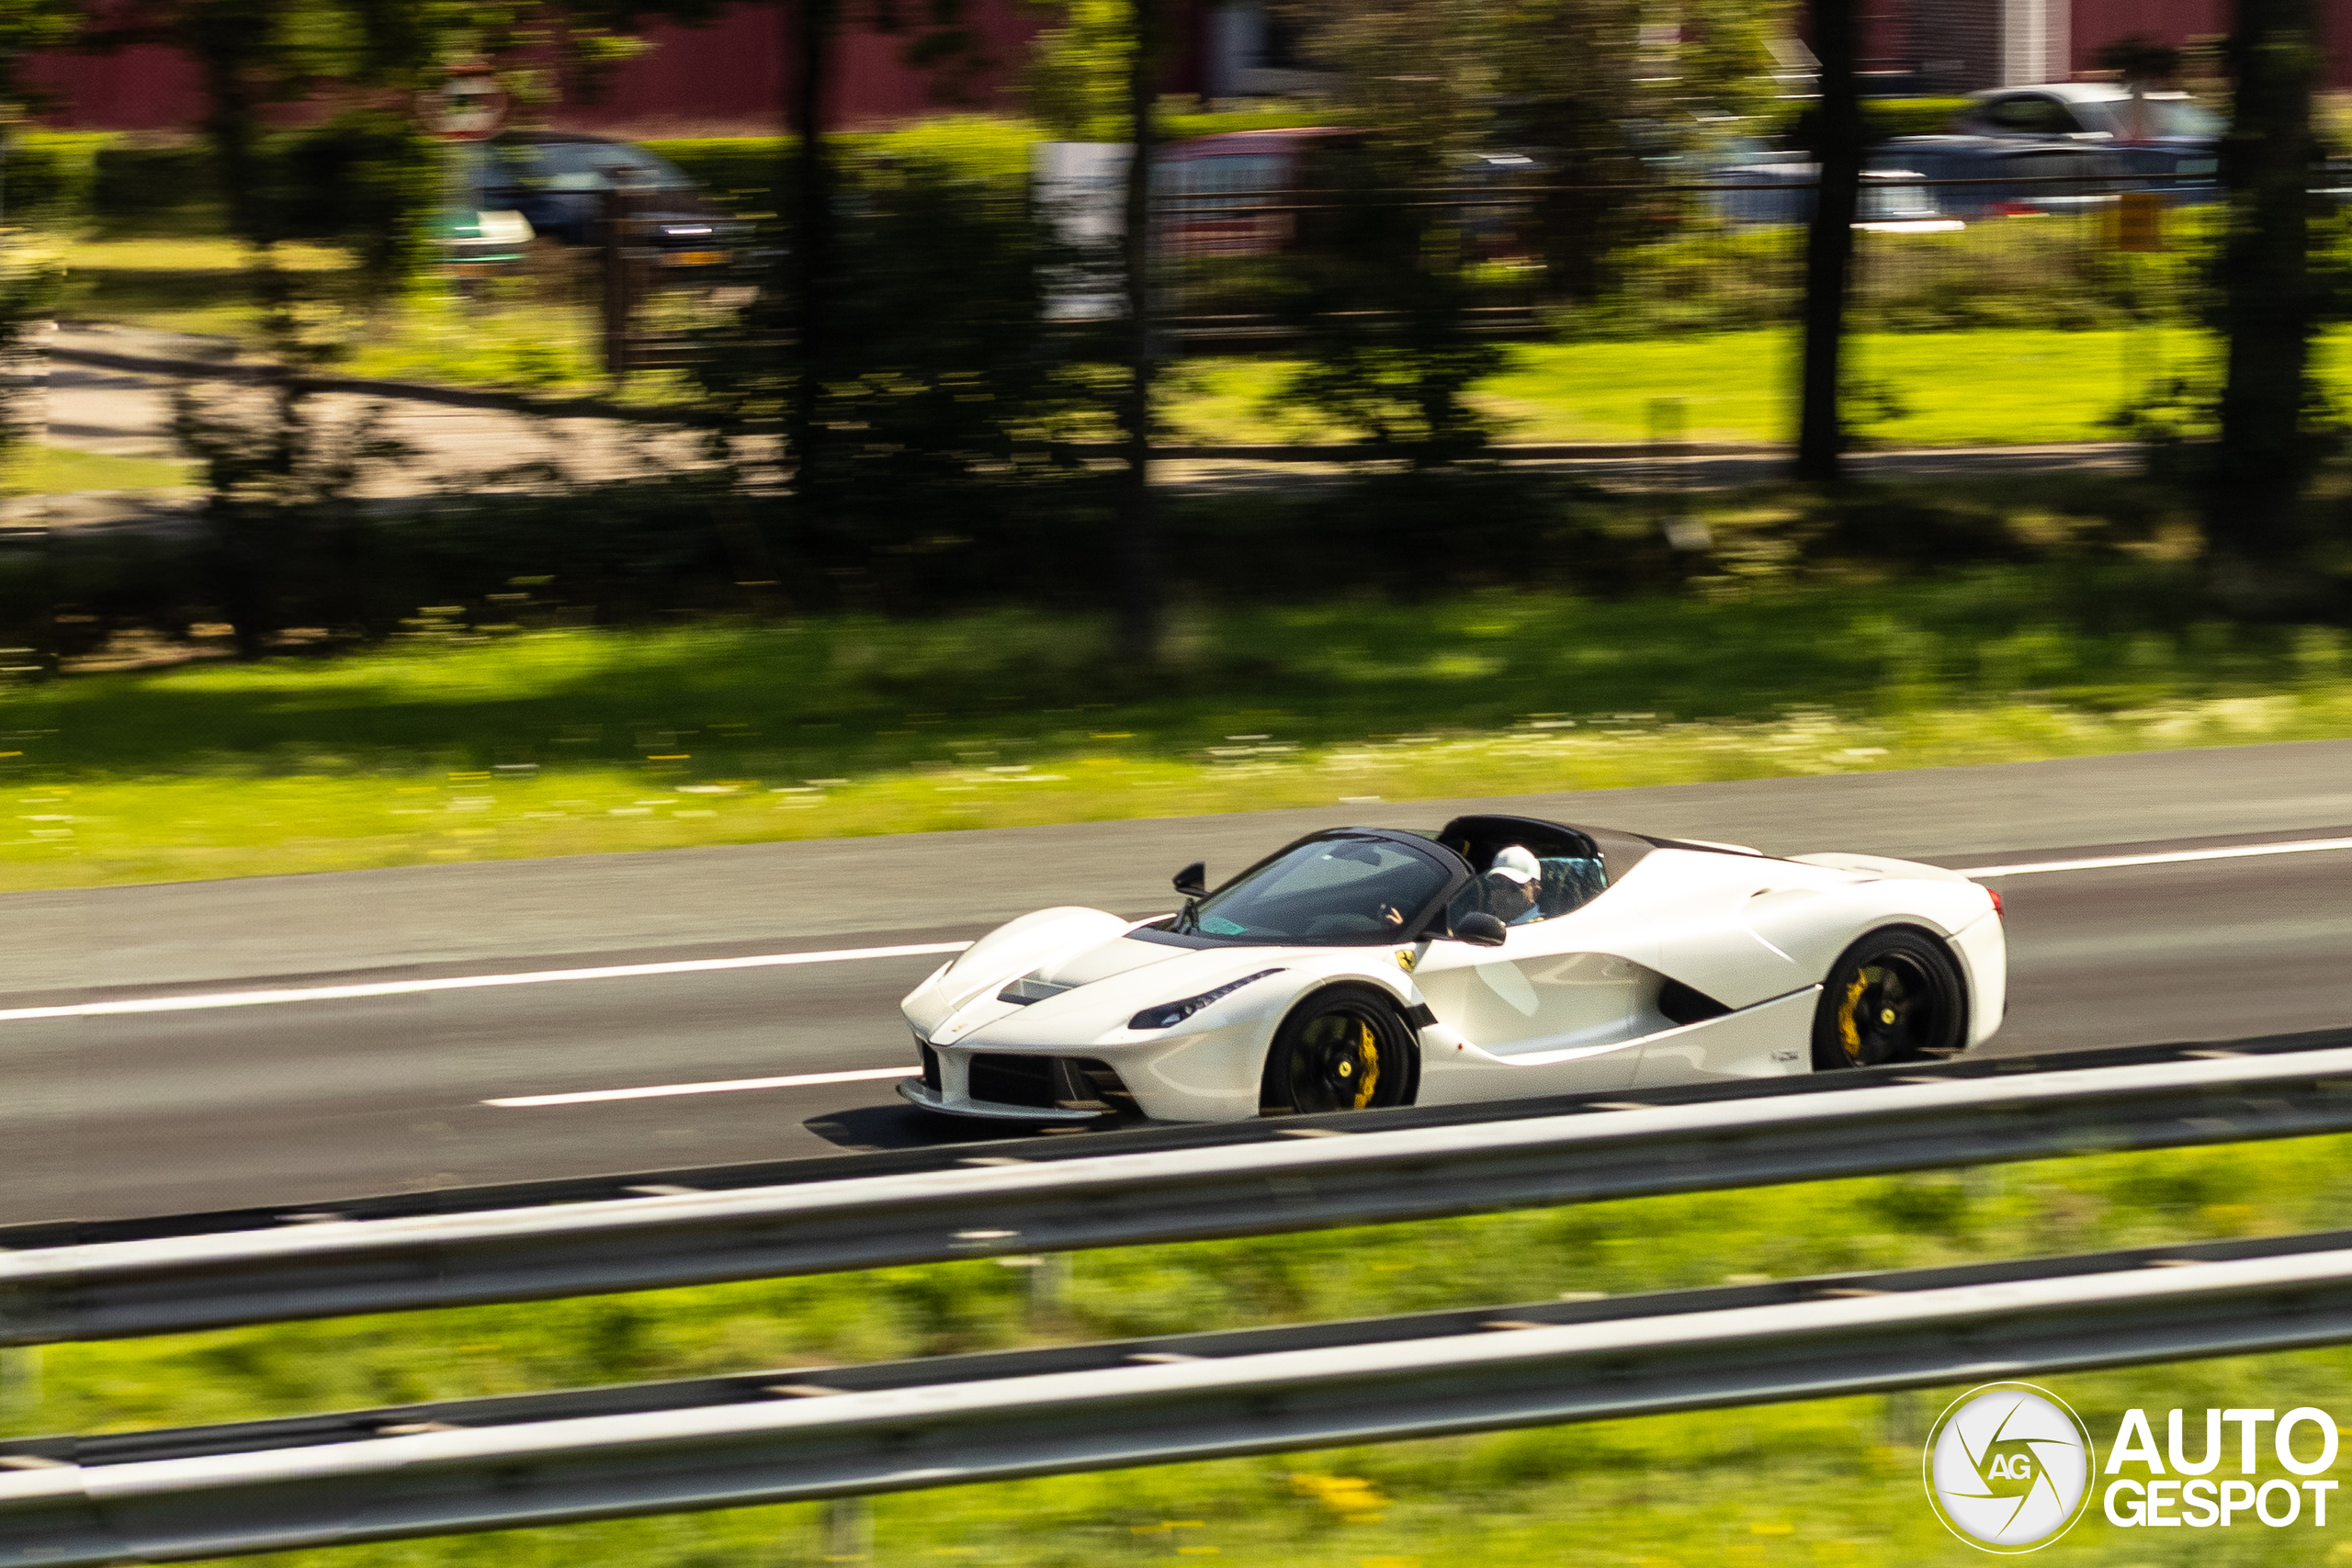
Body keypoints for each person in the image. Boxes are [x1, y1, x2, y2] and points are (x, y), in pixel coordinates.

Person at [1484, 844, 1544, 924]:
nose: (1503, 894)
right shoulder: (1490, 925)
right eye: (1497, 886)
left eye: (1513, 888)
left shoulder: (1540, 928)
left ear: (1535, 893)